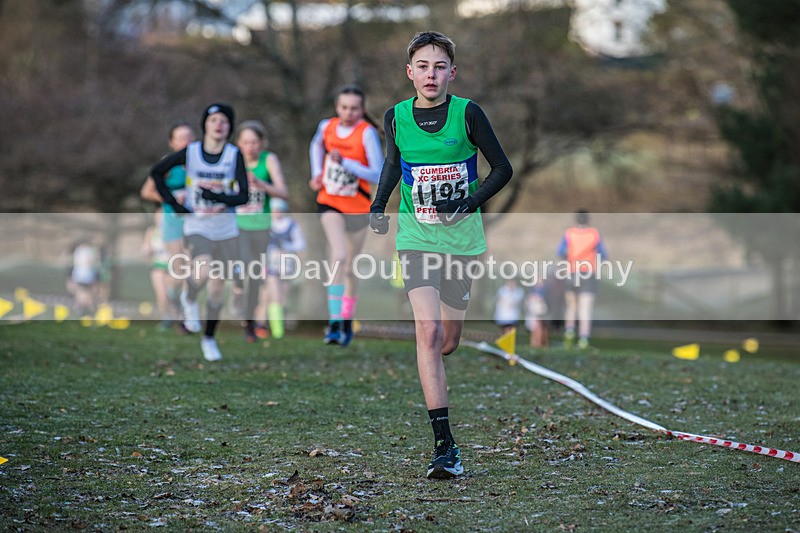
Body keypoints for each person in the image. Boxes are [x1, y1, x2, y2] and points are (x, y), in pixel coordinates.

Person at [369, 31, 513, 479]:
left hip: (462, 242)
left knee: (447, 341)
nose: (431, 74)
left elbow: (503, 168)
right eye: (422, 66)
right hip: (415, 237)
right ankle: (445, 446)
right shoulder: (395, 117)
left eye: (439, 66)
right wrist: (379, 204)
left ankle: (449, 344)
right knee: (427, 332)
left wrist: (467, 204)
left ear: (452, 72)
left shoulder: (468, 114)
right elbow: (393, 163)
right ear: (409, 72)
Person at [150, 103, 249, 362]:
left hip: (226, 229)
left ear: (229, 127)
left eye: (224, 121)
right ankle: (190, 297)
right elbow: (156, 173)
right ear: (205, 124)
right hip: (198, 225)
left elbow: (243, 196)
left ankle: (209, 338)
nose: (218, 125)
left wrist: (217, 197)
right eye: (213, 120)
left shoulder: (233, 155)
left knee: (217, 289)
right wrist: (174, 204)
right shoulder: (191, 152)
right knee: (202, 270)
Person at [309, 85, 384, 346]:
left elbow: (378, 173)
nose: (348, 112)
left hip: (359, 207)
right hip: (330, 202)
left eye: (354, 108)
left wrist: (347, 163)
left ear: (362, 110)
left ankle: (346, 319)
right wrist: (317, 173)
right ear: (336, 107)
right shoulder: (326, 127)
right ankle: (333, 322)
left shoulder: (366, 133)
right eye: (344, 107)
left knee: (350, 268)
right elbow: (315, 146)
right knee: (338, 256)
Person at [233, 120, 289, 342]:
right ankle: (237, 283)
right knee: (244, 265)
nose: (250, 147)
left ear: (262, 143)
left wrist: (260, 183)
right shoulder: (232, 161)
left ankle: (249, 324)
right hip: (236, 225)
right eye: (245, 142)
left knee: (256, 277)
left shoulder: (269, 160)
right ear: (238, 143)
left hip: (261, 226)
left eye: (254, 142)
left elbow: (283, 192)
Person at [140, 121, 197, 331]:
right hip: (173, 220)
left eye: (189, 137)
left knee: (194, 266)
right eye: (181, 138)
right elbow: (146, 192)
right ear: (172, 143)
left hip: (196, 221)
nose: (186, 142)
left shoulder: (201, 161)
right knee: (180, 268)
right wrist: (170, 199)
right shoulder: (168, 164)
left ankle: (185, 311)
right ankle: (172, 301)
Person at [556, 210, 607, 349]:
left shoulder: (569, 233)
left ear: (576, 220)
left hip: (572, 273)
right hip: (588, 273)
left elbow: (560, 252)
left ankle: (569, 334)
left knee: (571, 306)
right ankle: (583, 340)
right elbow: (603, 255)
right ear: (588, 221)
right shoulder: (594, 234)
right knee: (585, 309)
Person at [264, 197, 307, 339]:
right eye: (274, 210)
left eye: (279, 209)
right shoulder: (267, 225)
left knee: (283, 297)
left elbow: (301, 244)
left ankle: (277, 327)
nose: (276, 212)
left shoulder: (292, 225)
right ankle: (277, 331)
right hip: (271, 265)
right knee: (275, 297)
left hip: (287, 265)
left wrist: (286, 246)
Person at [142, 209, 174, 329]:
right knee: (161, 294)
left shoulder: (173, 230)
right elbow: (146, 248)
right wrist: (147, 251)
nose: (160, 219)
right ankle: (166, 318)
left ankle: (179, 315)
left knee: (171, 293)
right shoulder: (151, 231)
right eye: (158, 217)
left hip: (172, 266)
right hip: (158, 266)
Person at [525, 278, 549, 348]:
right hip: (533, 314)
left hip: (542, 315)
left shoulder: (546, 292)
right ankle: (533, 345)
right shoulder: (530, 291)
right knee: (533, 331)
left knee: (541, 331)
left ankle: (539, 345)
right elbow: (527, 303)